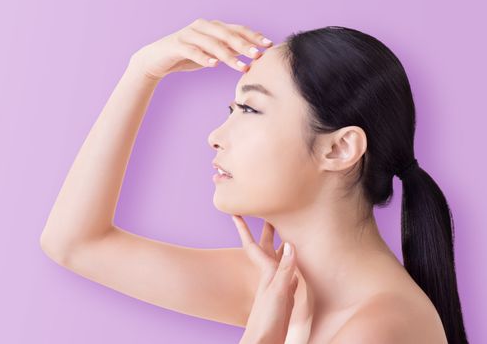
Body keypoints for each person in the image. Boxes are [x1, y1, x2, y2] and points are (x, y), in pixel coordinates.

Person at [40, 18, 468, 343]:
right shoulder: (275, 286)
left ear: (338, 149)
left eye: (249, 110)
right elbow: (75, 243)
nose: (215, 137)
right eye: (232, 111)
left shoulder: (381, 328)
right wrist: (142, 73)